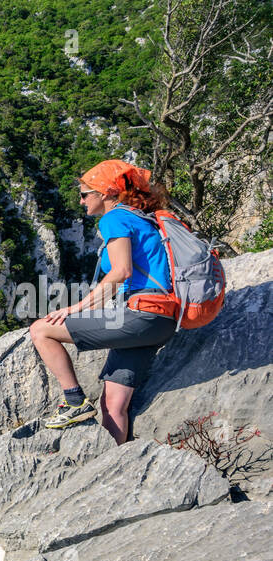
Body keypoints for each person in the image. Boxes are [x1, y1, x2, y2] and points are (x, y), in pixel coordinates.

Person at [28, 159, 177, 444]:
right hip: (160, 321)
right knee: (112, 406)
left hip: (142, 315)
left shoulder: (115, 218)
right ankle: (116, 463)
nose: (80, 200)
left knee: (41, 329)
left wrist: (77, 308)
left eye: (85, 193)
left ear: (105, 193)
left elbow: (122, 271)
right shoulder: (139, 216)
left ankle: (73, 401)